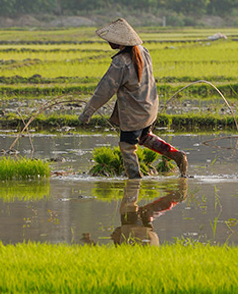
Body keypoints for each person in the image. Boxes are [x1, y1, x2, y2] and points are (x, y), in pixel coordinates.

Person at [78, 18, 188, 179]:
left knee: (127, 146)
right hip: (149, 106)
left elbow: (104, 90)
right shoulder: (143, 51)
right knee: (144, 137)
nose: (109, 42)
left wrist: (87, 113)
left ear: (118, 41)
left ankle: (134, 180)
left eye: (111, 39)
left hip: (134, 113)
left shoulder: (120, 62)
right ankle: (177, 155)